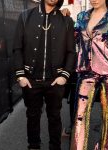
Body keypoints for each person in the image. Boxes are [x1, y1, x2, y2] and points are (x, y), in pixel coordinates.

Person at [13, 0, 75, 149]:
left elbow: (71, 51)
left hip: (55, 80)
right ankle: (33, 146)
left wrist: (64, 76)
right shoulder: (25, 16)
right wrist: (21, 76)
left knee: (54, 117)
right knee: (32, 116)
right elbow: (17, 48)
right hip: (30, 79)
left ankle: (55, 147)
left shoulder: (66, 20)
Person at [69, 0, 108, 150]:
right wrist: (66, 20)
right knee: (79, 115)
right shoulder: (82, 16)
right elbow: (75, 37)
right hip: (85, 71)